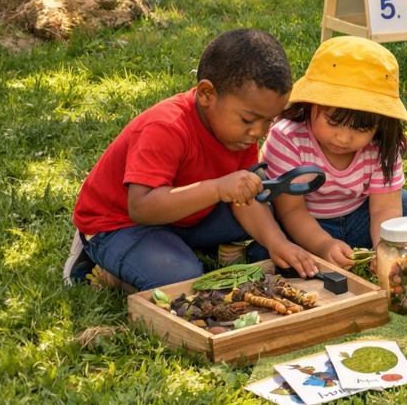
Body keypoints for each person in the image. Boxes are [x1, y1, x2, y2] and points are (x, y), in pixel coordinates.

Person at [67, 29, 318, 291]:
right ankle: (103, 266)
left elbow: (243, 200)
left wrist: (277, 243)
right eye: (249, 119)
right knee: (183, 278)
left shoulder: (239, 133)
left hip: (186, 215)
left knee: (267, 208)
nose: (259, 132)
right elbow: (141, 207)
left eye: (269, 120)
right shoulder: (165, 127)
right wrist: (219, 188)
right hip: (120, 224)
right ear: (207, 94)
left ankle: (179, 247)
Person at [261, 36, 407, 269]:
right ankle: (327, 252)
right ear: (311, 104)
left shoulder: (381, 143)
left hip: (359, 216)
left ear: (381, 123)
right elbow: (291, 210)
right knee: (266, 249)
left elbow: (384, 208)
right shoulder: (288, 137)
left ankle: (356, 249)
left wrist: (384, 249)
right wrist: (323, 245)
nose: (344, 138)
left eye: (362, 128)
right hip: (304, 221)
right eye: (333, 122)